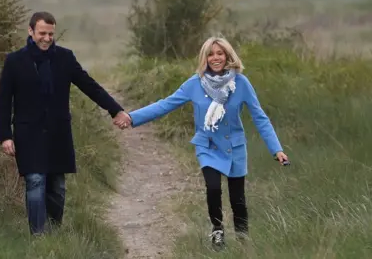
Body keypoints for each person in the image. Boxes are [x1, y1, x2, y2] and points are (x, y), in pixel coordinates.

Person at [114, 36, 288, 249]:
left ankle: (243, 240)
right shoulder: (194, 84)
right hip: (208, 146)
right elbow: (165, 104)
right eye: (211, 54)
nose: (216, 58)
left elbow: (259, 117)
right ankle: (217, 230)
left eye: (220, 53)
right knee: (213, 187)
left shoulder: (241, 83)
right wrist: (132, 117)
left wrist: (276, 149)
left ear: (228, 56)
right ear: (204, 58)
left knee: (238, 199)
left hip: (235, 146)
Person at [0, 11, 131, 235]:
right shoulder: (14, 61)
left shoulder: (65, 58)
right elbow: (4, 101)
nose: (47, 38)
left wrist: (115, 109)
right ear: (31, 32)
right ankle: (39, 236)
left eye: (50, 34)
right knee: (36, 181)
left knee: (57, 187)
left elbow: (90, 86)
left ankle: (54, 233)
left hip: (58, 133)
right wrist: (5, 135)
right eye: (42, 33)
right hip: (28, 133)